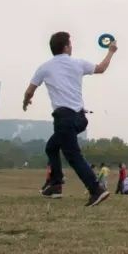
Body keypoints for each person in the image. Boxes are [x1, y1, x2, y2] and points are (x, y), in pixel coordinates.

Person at [23, 31, 116, 207]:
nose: (71, 46)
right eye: (70, 44)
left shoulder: (44, 68)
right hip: (80, 118)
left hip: (64, 119)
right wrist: (111, 51)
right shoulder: (78, 63)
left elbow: (29, 91)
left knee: (73, 156)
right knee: (51, 147)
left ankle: (96, 189)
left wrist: (25, 102)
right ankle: (55, 185)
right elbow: (101, 68)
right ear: (66, 47)